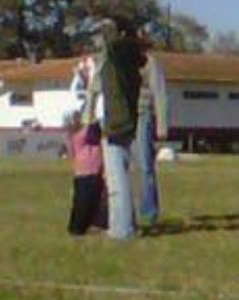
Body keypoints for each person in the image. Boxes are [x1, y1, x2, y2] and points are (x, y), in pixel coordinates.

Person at [79, 20, 145, 240]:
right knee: (121, 176)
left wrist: (109, 28)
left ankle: (121, 229)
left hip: (115, 124)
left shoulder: (116, 59)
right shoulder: (131, 61)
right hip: (125, 122)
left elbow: (112, 46)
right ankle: (125, 225)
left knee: (117, 182)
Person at [133, 42, 169, 228]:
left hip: (142, 115)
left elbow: (160, 93)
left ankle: (149, 212)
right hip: (122, 117)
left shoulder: (150, 63)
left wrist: (161, 126)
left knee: (145, 165)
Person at [65, 113, 105, 236]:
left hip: (82, 171)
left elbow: (72, 154)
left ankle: (81, 225)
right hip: (89, 171)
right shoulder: (82, 134)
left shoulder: (72, 136)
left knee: (85, 202)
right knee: (88, 202)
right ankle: (81, 226)